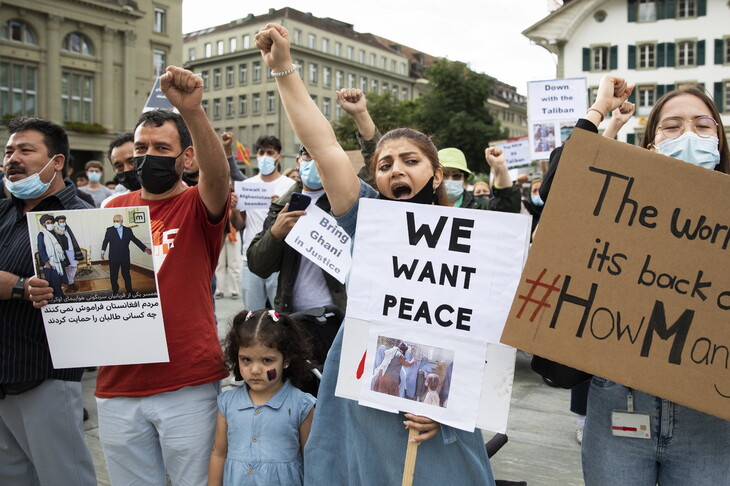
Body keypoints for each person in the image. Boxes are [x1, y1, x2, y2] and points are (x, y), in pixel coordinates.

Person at [256, 24, 497, 485]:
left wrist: (456, 401)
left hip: (441, 395)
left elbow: (487, 333)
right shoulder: (366, 216)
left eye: (410, 160)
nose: (396, 170)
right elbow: (325, 146)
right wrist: (284, 70)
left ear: (436, 172)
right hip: (367, 376)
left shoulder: (476, 234)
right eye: (385, 164)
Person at [540, 74, 730, 485]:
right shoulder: (617, 205)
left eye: (702, 125)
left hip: (711, 415)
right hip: (619, 399)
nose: (689, 134)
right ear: (650, 146)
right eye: (672, 126)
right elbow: (560, 185)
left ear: (719, 142)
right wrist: (599, 110)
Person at [93, 66, 232, 486]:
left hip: (185, 381)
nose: (147, 155)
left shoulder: (195, 204)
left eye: (160, 147)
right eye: (140, 147)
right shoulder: (110, 209)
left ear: (185, 157)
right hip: (117, 382)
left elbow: (219, 176)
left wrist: (192, 112)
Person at [1, 116, 95, 485]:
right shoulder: (3, 214)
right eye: (9, 151)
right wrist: (16, 285)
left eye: (26, 150)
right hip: (4, 374)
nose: (13, 158)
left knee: (64, 477)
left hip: (47, 377)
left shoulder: (86, 218)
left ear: (56, 161)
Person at [208, 309, 316, 486]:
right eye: (246, 360)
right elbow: (219, 453)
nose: (255, 370)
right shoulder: (227, 403)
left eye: (267, 360)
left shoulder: (301, 405)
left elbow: (312, 460)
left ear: (286, 359)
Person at [246, 144, 347, 313]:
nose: (314, 161)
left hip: (336, 317)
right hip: (292, 319)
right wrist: (274, 235)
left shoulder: (344, 204)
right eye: (308, 155)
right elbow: (257, 266)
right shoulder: (281, 206)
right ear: (298, 161)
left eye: (320, 156)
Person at [240, 135, 296, 310]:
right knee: (252, 314)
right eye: (261, 152)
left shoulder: (290, 186)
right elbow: (239, 224)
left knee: (279, 314)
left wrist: (281, 205)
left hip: (279, 258)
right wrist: (235, 209)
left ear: (278, 156)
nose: (265, 156)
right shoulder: (247, 185)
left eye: (270, 153)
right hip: (249, 257)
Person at [439, 147, 520, 211]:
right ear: (435, 178)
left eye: (456, 176)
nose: (450, 180)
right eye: (444, 175)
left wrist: (500, 168)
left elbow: (508, 206)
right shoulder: (426, 204)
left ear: (465, 181)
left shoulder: (479, 207)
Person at [101, 213, 152, 296]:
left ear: (122, 221)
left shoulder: (128, 230)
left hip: (125, 256)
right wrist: (102, 252)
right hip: (113, 256)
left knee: (126, 274)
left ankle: (129, 290)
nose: (115, 222)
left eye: (117, 221)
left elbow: (135, 240)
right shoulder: (109, 230)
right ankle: (115, 291)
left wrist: (145, 248)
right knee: (113, 275)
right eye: (114, 221)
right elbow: (105, 241)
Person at [214, 181, 245, 299]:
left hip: (233, 233)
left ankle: (234, 290)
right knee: (219, 263)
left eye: (230, 184)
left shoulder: (236, 197)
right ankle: (219, 289)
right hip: (219, 234)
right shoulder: (214, 196)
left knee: (234, 263)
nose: (228, 186)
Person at [36, 213, 67, 298]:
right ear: (43, 224)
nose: (50, 224)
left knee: (60, 278)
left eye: (51, 222)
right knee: (54, 280)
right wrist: (46, 262)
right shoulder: (42, 235)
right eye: (48, 223)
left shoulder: (54, 233)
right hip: (50, 262)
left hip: (58, 261)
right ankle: (60, 296)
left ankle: (57, 294)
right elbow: (41, 249)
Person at [52, 214, 83, 291]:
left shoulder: (67, 229)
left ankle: (70, 281)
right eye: (60, 221)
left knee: (74, 266)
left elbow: (72, 239)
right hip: (65, 252)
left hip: (72, 251)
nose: (62, 223)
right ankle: (71, 283)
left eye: (63, 221)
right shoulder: (56, 231)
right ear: (57, 222)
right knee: (68, 267)